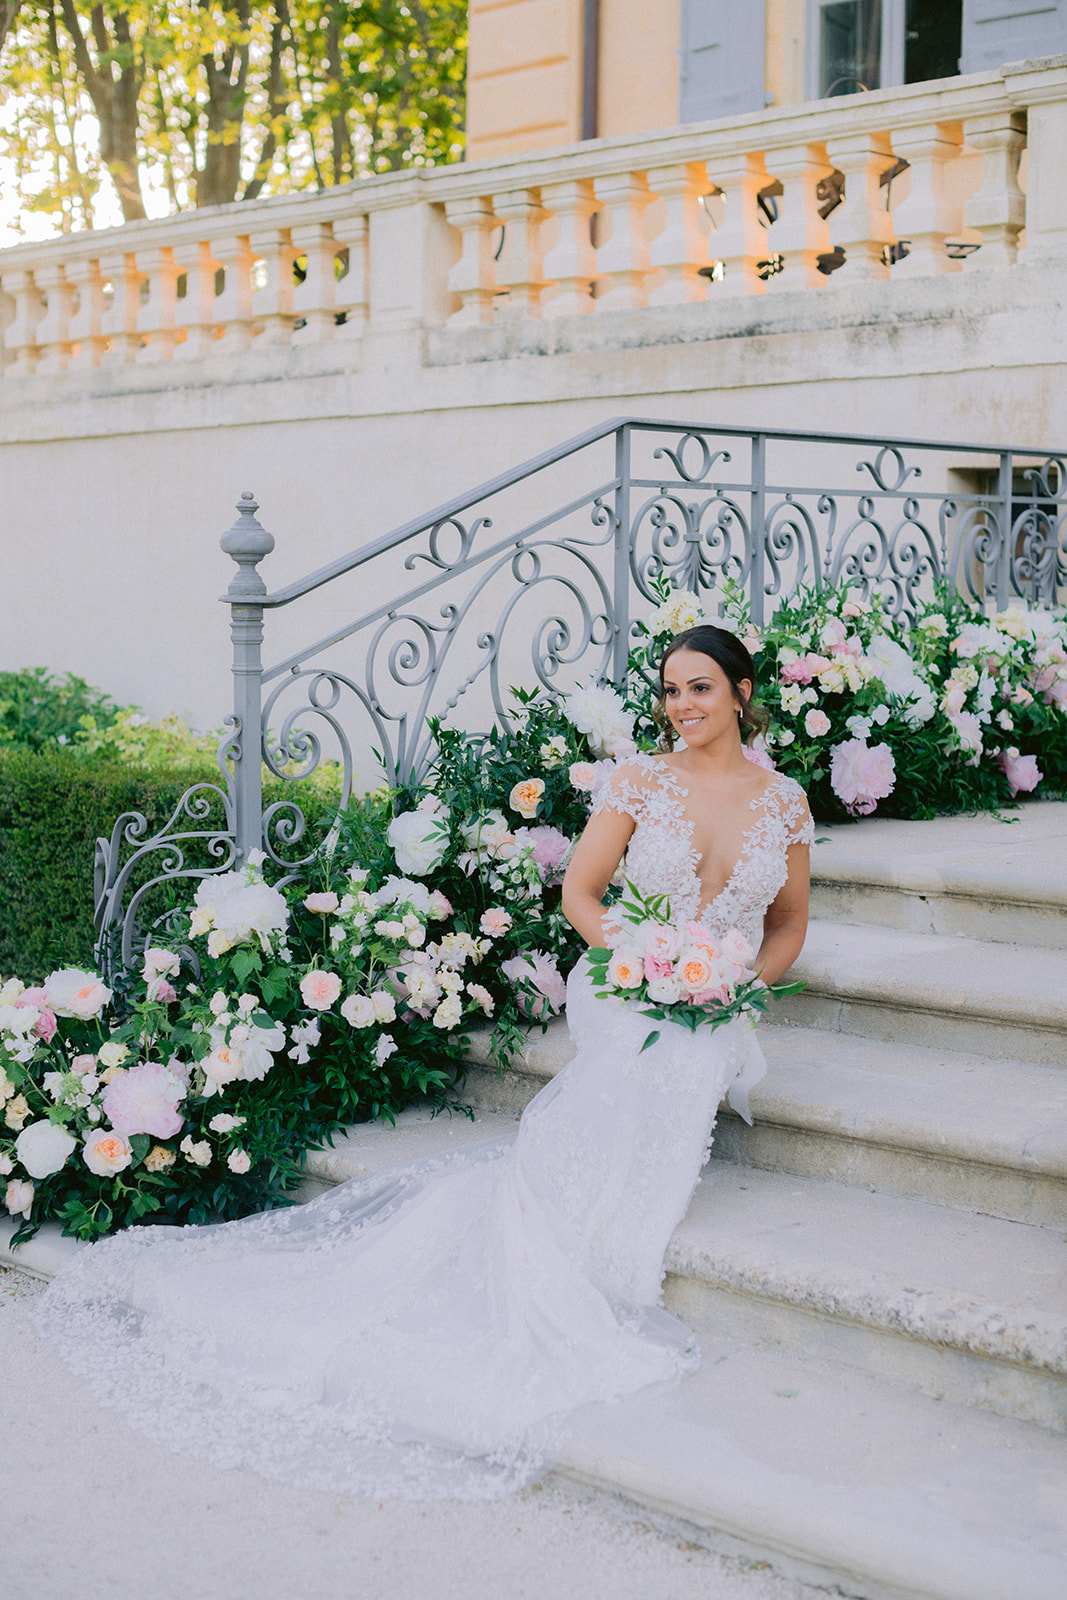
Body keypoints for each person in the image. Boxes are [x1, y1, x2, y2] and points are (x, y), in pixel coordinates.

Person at [33, 625, 812, 1502]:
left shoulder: (781, 801)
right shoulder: (639, 780)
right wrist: (646, 964)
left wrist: (738, 988)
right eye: (670, 690)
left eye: (701, 689)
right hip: (625, 979)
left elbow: (785, 925)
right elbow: (581, 895)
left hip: (715, 998)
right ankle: (564, 1225)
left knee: (683, 1056)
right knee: (645, 1057)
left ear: (742, 692)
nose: (682, 707)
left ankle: (601, 1230)